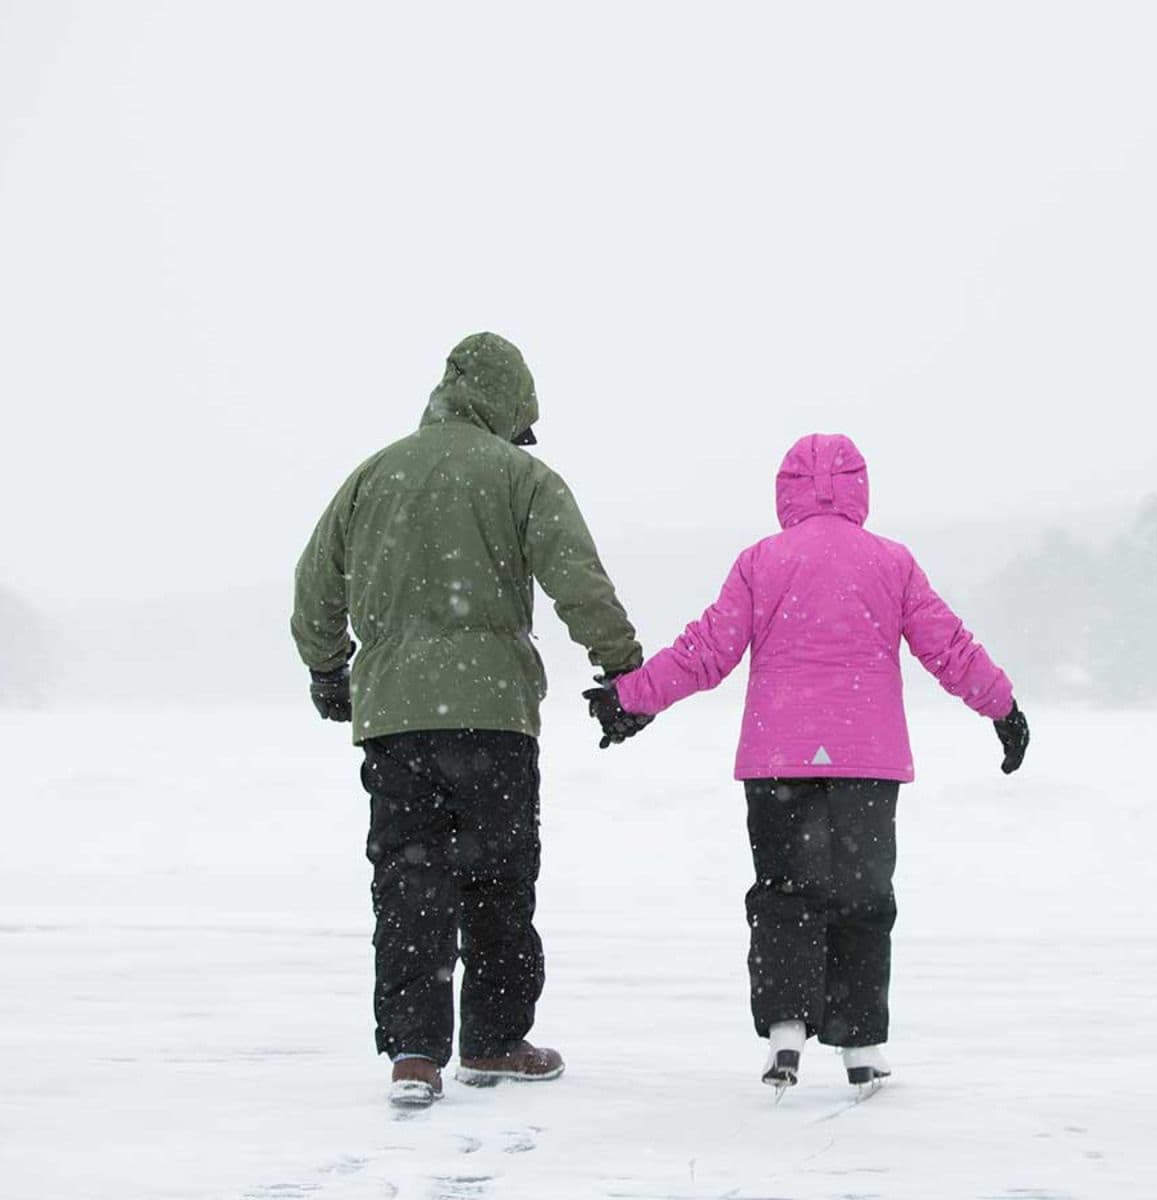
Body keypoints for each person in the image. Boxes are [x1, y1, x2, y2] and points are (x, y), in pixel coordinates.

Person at [588, 432, 1030, 1089]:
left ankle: (785, 1030)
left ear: (785, 491)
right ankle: (861, 1046)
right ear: (860, 488)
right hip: (867, 762)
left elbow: (706, 649)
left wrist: (634, 699)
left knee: (784, 894)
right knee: (862, 897)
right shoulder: (892, 563)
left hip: (778, 758)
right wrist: (1002, 708)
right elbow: (949, 647)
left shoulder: (762, 563)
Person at [291, 332, 649, 1107]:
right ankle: (493, 1039)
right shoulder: (521, 477)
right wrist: (622, 668)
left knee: (408, 880)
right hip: (492, 715)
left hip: (394, 718)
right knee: (499, 878)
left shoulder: (373, 475)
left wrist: (327, 666)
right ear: (508, 404)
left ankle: (415, 1054)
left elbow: (315, 578)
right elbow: (575, 578)